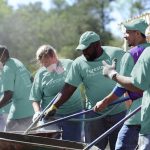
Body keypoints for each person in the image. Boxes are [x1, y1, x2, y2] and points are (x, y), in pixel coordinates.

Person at [43, 31, 127, 150]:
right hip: (94, 113)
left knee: (120, 147)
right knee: (93, 148)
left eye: (87, 49)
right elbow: (68, 88)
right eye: (82, 49)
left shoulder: (117, 54)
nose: (84, 52)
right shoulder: (79, 63)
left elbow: (130, 79)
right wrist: (54, 106)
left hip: (119, 111)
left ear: (97, 45)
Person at [94, 19, 149, 150]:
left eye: (128, 32)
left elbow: (122, 87)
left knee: (122, 146)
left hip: (138, 113)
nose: (124, 36)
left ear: (137, 33)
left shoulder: (131, 55)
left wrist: (104, 102)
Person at [30, 44, 84, 142]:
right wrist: (37, 112)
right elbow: (35, 98)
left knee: (72, 144)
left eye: (47, 62)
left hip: (73, 114)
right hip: (50, 117)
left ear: (54, 56)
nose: (45, 66)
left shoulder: (69, 64)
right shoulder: (40, 74)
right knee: (49, 145)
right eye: (43, 64)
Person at [0, 45, 34, 132]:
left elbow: (8, 95)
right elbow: (31, 79)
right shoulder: (16, 61)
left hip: (20, 110)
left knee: (7, 137)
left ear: (2, 56)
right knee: (26, 138)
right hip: (31, 107)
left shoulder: (6, 69)